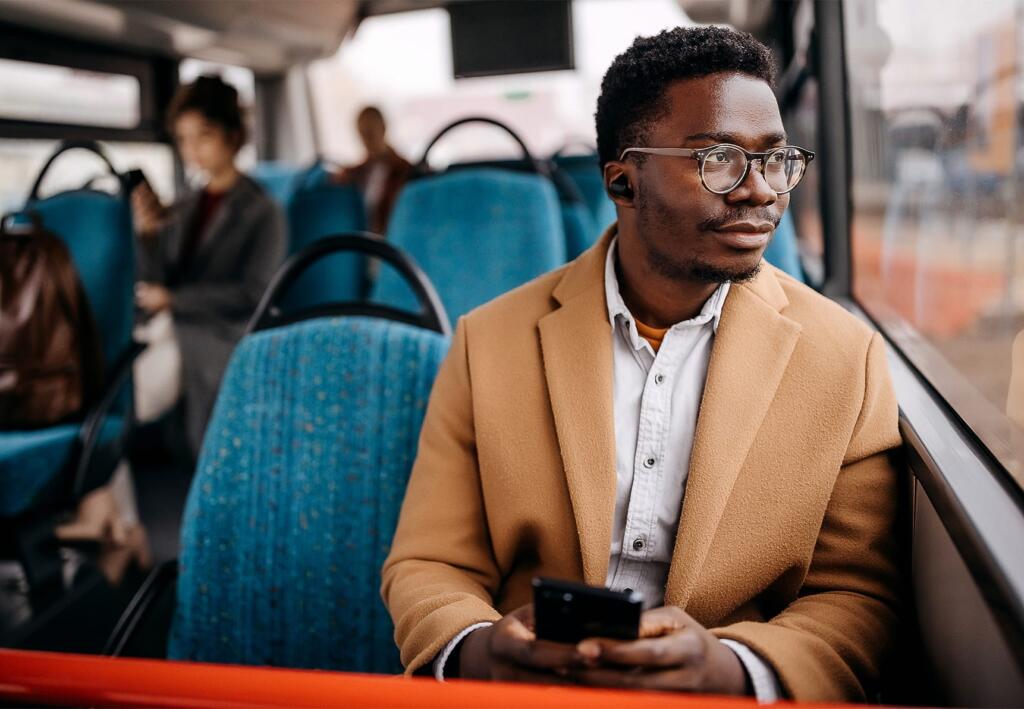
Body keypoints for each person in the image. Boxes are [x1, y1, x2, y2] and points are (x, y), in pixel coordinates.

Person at [382, 27, 903, 702]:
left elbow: (857, 591)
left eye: (776, 161)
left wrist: (735, 667)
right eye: (718, 158)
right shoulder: (489, 342)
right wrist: (482, 648)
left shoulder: (847, 357)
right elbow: (429, 561)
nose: (759, 190)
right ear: (624, 180)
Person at [131, 75, 286, 458]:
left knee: (131, 393)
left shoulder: (263, 212)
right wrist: (147, 237)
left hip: (224, 330)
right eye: (183, 140)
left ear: (232, 136)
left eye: (203, 136)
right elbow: (159, 278)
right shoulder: (183, 206)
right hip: (176, 324)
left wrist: (173, 300)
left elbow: (254, 293)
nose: (192, 150)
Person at [332, 106, 412, 234]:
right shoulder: (356, 173)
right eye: (362, 134)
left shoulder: (406, 171)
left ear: (383, 128)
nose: (366, 140)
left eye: (370, 132)